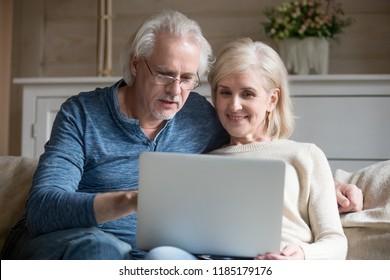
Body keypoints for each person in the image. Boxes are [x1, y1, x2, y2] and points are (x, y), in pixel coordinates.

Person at [1, 10, 359, 260]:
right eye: (164, 74)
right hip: (70, 246)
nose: (176, 90)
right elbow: (42, 209)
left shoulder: (200, 117)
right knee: (105, 250)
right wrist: (131, 200)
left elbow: (260, 149)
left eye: (188, 78)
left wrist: (333, 183)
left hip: (151, 258)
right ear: (135, 65)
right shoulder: (82, 114)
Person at [147, 38, 348, 260]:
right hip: (211, 263)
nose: (234, 105)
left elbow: (336, 241)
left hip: (275, 263)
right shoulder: (201, 161)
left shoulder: (304, 156)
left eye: (248, 94)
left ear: (272, 100)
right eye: (225, 93)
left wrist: (301, 254)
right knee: (161, 255)